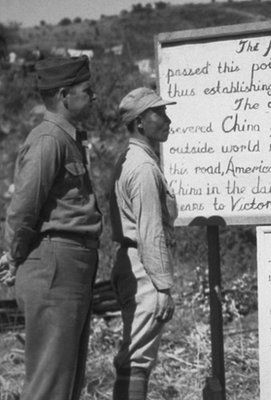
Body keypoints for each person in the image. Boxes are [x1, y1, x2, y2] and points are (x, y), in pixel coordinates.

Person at [0, 56, 101, 400]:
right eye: (87, 90)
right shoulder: (48, 140)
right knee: (49, 386)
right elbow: (23, 209)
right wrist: (14, 257)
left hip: (71, 265)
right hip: (55, 265)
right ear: (63, 95)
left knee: (68, 383)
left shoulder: (67, 138)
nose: (94, 96)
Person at [109, 87, 177, 400]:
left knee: (133, 355)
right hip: (144, 270)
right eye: (158, 114)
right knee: (137, 360)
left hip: (131, 263)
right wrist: (163, 287)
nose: (167, 120)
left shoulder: (129, 158)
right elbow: (151, 232)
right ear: (140, 123)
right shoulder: (144, 168)